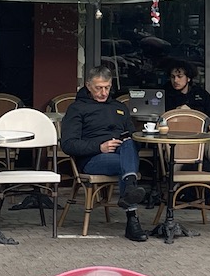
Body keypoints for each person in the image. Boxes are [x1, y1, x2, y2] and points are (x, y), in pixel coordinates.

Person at [60, 64, 149, 241]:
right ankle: (132, 214)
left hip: (121, 157)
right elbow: (68, 144)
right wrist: (99, 147)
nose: (103, 93)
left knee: (130, 142)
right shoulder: (77, 108)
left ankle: (129, 194)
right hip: (92, 160)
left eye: (107, 87)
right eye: (99, 88)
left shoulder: (119, 108)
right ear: (88, 86)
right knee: (128, 167)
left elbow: (132, 137)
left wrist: (126, 141)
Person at [163, 60, 210, 207]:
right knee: (172, 148)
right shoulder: (166, 95)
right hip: (179, 139)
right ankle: (172, 188)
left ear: (188, 78)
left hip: (204, 137)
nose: (175, 80)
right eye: (172, 77)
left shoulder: (201, 94)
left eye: (179, 76)